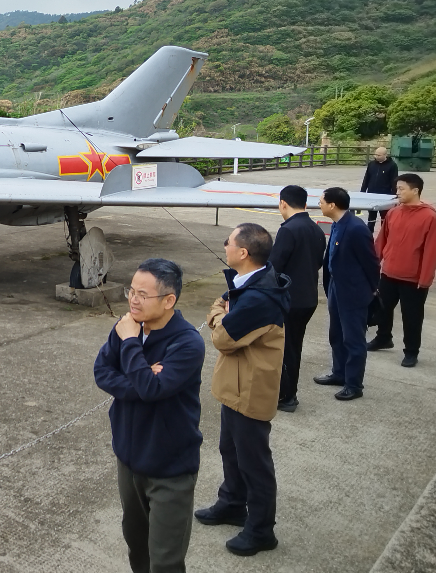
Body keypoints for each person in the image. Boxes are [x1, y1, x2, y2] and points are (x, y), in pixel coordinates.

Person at [94, 258, 205, 573]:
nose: (133, 300)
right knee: (137, 548)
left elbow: (153, 389)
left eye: (143, 294)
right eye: (131, 291)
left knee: (165, 560)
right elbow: (102, 371)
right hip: (129, 460)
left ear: (169, 300)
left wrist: (131, 344)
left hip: (169, 468)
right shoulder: (127, 325)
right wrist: (141, 380)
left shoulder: (187, 343)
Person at [195, 223, 288, 557]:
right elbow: (225, 305)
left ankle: (261, 530)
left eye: (228, 242)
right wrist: (224, 308)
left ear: (243, 252)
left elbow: (222, 338)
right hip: (236, 385)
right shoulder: (249, 282)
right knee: (230, 450)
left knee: (254, 462)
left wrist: (218, 313)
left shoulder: (259, 298)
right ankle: (232, 503)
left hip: (250, 389)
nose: (225, 246)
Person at [314, 187, 380, 400]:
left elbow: (371, 263)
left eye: (322, 201)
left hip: (353, 292)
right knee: (336, 334)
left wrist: (372, 289)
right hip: (337, 287)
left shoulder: (356, 228)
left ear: (332, 205)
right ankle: (339, 373)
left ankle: (354, 384)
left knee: (353, 339)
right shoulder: (337, 224)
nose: (319, 204)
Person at [369, 173, 436, 367]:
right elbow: (381, 241)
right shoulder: (393, 212)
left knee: (412, 316)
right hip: (389, 273)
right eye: (397, 188)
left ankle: (411, 351)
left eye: (401, 189)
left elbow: (431, 251)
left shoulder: (430, 217)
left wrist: (425, 279)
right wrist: (374, 265)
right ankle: (383, 338)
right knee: (382, 309)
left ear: (415, 190)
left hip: (413, 278)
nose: (397, 192)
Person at [270, 185, 327, 412]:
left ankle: (287, 396)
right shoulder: (316, 229)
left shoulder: (288, 230)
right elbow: (319, 261)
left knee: (285, 349)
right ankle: (288, 393)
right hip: (308, 297)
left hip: (289, 300)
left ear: (283, 203)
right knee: (294, 346)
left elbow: (274, 266)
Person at [361, 147, 398, 233]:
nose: (376, 156)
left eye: (379, 155)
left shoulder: (392, 165)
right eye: (375, 154)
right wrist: (362, 192)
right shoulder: (371, 164)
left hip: (384, 196)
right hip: (371, 195)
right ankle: (369, 233)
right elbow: (366, 178)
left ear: (385, 155)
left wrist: (394, 195)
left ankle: (384, 233)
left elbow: (394, 181)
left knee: (384, 217)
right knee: (371, 216)